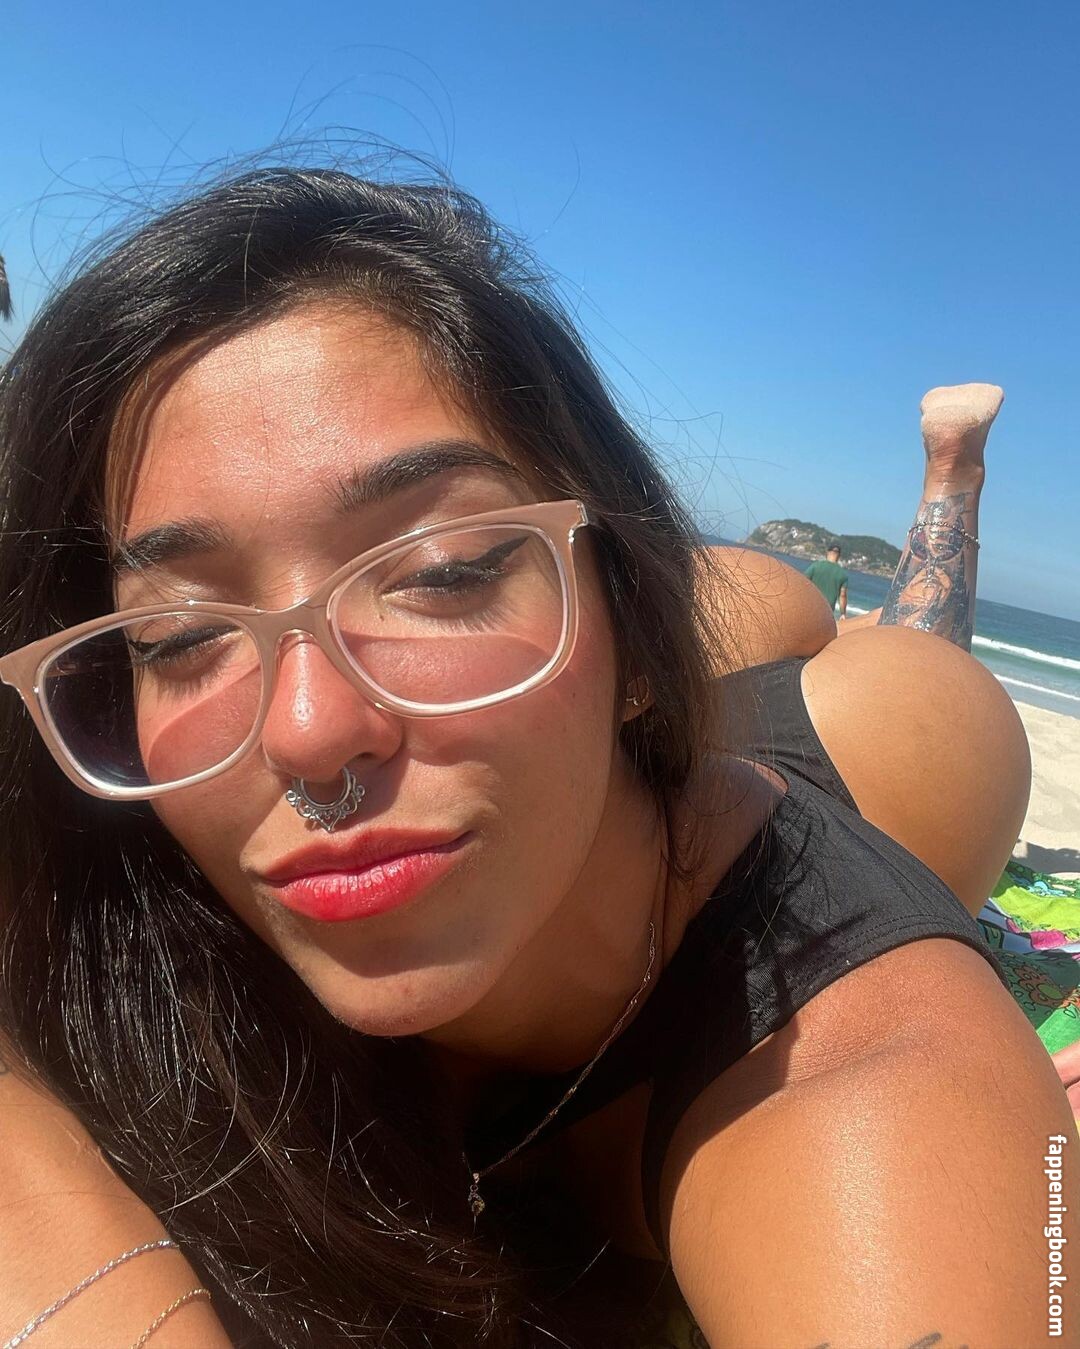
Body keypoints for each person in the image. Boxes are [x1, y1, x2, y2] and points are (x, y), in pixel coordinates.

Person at [0, 166, 1071, 1349]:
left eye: (443, 569)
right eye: (180, 633)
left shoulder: (862, 1085)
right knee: (759, 605)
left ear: (635, 627)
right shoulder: (117, 848)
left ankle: (949, 475)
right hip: (618, 737)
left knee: (915, 671)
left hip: (872, 746)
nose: (304, 731)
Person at [804, 541, 849, 619]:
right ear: (839, 556)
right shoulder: (843, 574)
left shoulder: (815, 566)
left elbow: (802, 582)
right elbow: (842, 595)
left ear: (828, 552)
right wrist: (843, 614)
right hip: (827, 611)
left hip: (810, 605)